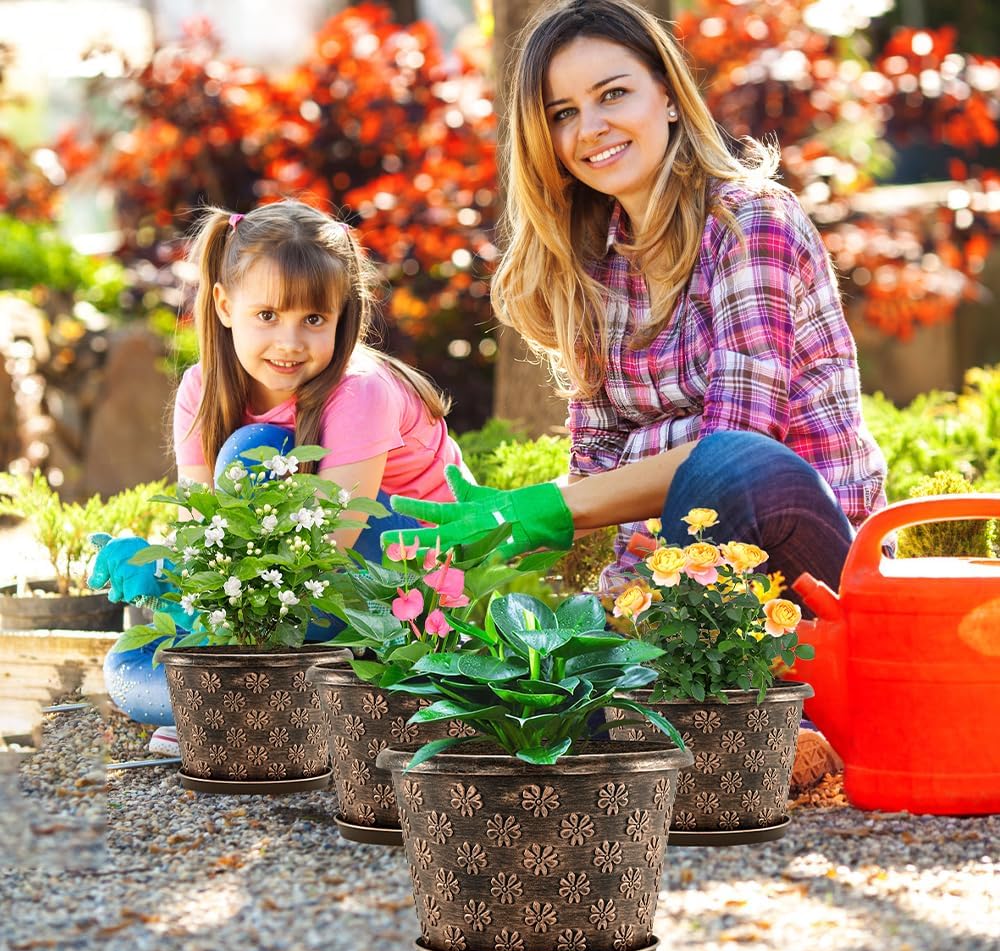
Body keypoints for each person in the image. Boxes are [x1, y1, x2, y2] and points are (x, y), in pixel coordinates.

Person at [390, 0, 888, 787]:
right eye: (563, 112)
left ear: (665, 91)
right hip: (681, 583)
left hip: (813, 576)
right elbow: (598, 478)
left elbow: (742, 444)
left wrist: (553, 510)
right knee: (523, 676)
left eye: (613, 93)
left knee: (728, 467)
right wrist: (520, 546)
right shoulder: (593, 270)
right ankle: (739, 722)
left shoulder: (749, 218)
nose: (591, 127)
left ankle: (763, 712)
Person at [90, 200, 463, 752]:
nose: (289, 343)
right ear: (222, 304)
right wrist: (164, 568)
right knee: (126, 667)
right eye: (267, 315)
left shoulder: (361, 391)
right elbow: (204, 528)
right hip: (298, 586)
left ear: (343, 316)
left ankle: (252, 698)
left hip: (404, 580)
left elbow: (327, 547)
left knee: (257, 451)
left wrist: (188, 586)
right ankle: (267, 697)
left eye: (313, 319)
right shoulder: (203, 388)